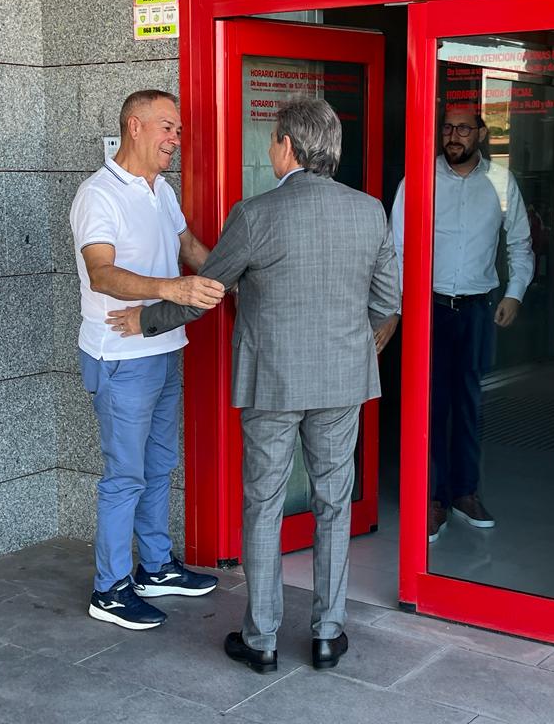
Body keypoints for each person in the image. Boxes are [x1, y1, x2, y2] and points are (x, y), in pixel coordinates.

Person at [107, 99, 400, 672]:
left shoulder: (256, 214)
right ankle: (327, 634)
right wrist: (354, 351)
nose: (271, 150)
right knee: (333, 504)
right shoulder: (368, 212)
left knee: (263, 505)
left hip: (272, 382)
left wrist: (146, 320)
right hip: (342, 383)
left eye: (273, 141)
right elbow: (387, 302)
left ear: (288, 146)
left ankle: (262, 639)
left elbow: (207, 290)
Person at [70, 89, 221, 631]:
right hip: (121, 357)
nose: (175, 140)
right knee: (125, 475)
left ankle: (155, 567)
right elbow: (101, 274)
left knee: (158, 467)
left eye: (178, 131)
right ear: (134, 127)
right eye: (166, 128)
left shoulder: (162, 190)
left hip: (163, 350)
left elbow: (192, 249)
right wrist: (172, 291)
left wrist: (232, 282)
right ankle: (109, 589)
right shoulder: (98, 194)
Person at [389, 105, 534, 542]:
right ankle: (433, 498)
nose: (454, 136)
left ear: (482, 134)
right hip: (427, 307)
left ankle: (464, 493)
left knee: (470, 404)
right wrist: (399, 306)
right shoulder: (419, 179)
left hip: (476, 309)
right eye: (448, 128)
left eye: (463, 129)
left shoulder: (499, 181)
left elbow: (522, 243)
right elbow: (395, 247)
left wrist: (514, 293)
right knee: (429, 405)